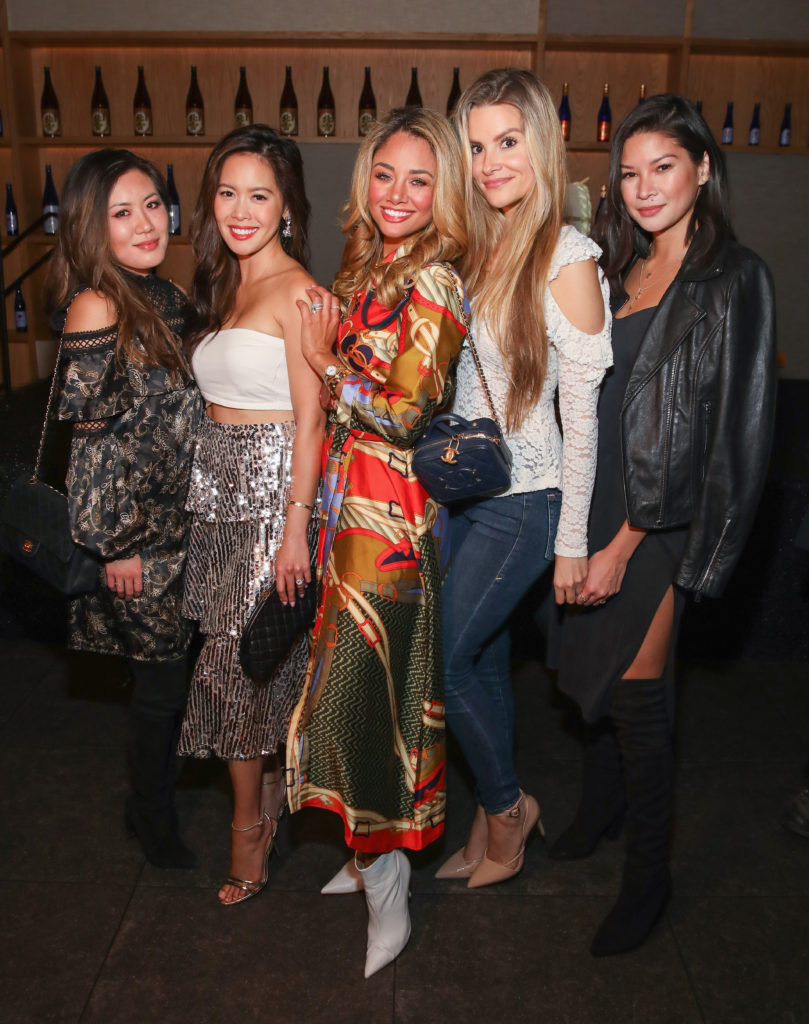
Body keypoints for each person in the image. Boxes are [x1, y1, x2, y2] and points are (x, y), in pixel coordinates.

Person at [553, 94, 777, 956]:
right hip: (599, 499)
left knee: (641, 698)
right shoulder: (613, 268)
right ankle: (597, 812)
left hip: (659, 519)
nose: (644, 187)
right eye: (631, 172)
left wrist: (625, 542)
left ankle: (649, 878)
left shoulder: (733, 277)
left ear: (703, 170)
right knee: (593, 673)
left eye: (665, 167)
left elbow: (733, 432)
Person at [285, 107, 468, 977]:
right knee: (352, 698)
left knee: (358, 701)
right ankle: (368, 856)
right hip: (344, 517)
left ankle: (386, 879)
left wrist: (325, 359)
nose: (398, 194)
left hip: (388, 532)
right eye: (385, 175)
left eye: (419, 179)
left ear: (444, 195)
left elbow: (403, 413)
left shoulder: (433, 281)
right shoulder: (370, 264)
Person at [436, 68, 612, 889]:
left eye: (507, 141)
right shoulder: (483, 242)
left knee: (449, 659)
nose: (490, 162)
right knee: (482, 659)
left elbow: (583, 422)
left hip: (528, 500)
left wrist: (571, 544)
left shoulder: (567, 256)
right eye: (476, 146)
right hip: (468, 492)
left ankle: (508, 810)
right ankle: (491, 811)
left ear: (541, 142)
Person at [177, 125, 324, 906]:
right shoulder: (226, 283)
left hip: (271, 497)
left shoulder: (300, 293)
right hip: (217, 498)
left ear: (287, 208)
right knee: (247, 659)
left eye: (258, 195)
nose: (239, 209)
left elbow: (311, 420)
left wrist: (295, 526)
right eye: (227, 192)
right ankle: (265, 797)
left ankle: (247, 832)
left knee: (236, 670)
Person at [47, 149, 203, 868]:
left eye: (151, 205)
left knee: (174, 680)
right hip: (137, 539)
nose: (146, 223)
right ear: (91, 226)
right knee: (159, 687)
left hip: (183, 525)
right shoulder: (97, 303)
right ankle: (151, 819)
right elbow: (92, 445)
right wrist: (115, 547)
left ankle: (158, 792)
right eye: (121, 212)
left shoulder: (164, 294)